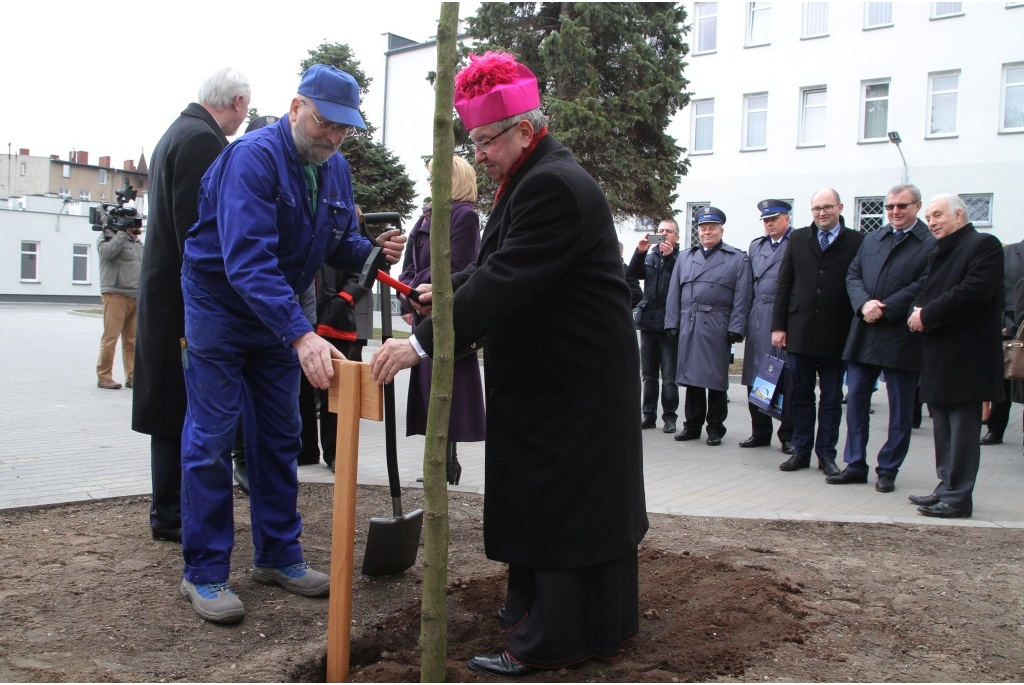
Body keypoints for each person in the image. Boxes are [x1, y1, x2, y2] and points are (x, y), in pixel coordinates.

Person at [369, 51, 647, 676]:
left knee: (562, 510)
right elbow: (501, 266)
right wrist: (446, 288)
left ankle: (552, 639)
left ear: (523, 130)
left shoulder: (550, 184)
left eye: (485, 141)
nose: (480, 154)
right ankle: (559, 620)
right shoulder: (534, 175)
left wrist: (421, 345)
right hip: (564, 380)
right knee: (558, 506)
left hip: (570, 386)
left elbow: (508, 282)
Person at [176, 64, 406, 624]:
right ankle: (204, 572)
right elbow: (247, 260)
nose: (333, 138)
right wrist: (302, 334)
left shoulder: (335, 169)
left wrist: (376, 256)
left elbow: (336, 238)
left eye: (344, 130)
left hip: (277, 316)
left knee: (280, 434)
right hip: (221, 308)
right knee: (211, 438)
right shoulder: (251, 159)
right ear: (297, 107)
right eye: (326, 124)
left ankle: (278, 555)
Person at [132, 67, 251, 543]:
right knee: (185, 408)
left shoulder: (175, 134)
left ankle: (170, 511)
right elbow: (199, 230)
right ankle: (174, 515)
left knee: (170, 406)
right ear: (239, 102)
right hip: (186, 300)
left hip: (163, 293)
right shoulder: (203, 143)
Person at [827, 184, 934, 493]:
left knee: (900, 410)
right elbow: (853, 275)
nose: (895, 212)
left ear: (917, 206)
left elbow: (924, 283)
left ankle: (888, 468)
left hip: (901, 335)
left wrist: (885, 308)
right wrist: (864, 304)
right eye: (890, 207)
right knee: (857, 402)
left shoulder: (928, 243)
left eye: (902, 206)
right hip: (865, 332)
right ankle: (855, 463)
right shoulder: (873, 238)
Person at [907, 194, 1003, 519]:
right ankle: (945, 486)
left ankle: (959, 497)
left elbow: (972, 292)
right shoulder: (939, 251)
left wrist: (927, 315)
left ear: (959, 216)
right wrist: (914, 312)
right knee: (942, 427)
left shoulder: (983, 245)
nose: (931, 221)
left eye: (937, 215)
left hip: (967, 358)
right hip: (939, 355)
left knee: (962, 430)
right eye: (930, 216)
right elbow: (924, 290)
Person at [398, 157, 486, 485]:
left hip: (445, 317)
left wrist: (423, 287)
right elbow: (407, 266)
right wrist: (408, 294)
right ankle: (435, 462)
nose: (431, 181)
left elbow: (460, 267)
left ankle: (446, 463)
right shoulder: (427, 214)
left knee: (447, 390)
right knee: (428, 390)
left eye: (438, 175)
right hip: (422, 313)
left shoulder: (463, 216)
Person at [772, 188, 863, 477]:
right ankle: (800, 450)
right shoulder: (798, 239)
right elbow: (784, 283)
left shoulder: (857, 242)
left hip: (836, 332)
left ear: (839, 207)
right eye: (816, 209)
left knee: (832, 398)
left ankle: (827, 454)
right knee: (800, 394)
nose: (822, 213)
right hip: (799, 330)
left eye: (827, 207)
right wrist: (778, 326)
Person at [666, 207, 752, 446]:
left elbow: (743, 296)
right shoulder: (685, 257)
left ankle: (715, 427)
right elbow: (674, 291)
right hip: (689, 323)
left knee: (715, 380)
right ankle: (692, 425)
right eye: (703, 228)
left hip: (717, 324)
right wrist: (671, 322)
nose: (707, 232)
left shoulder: (737, 259)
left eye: (712, 228)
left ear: (721, 230)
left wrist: (737, 326)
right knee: (692, 378)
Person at [740, 199, 794, 453]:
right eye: (766, 220)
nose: (769, 224)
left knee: (784, 377)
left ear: (787, 219)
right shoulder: (756, 246)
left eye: (774, 219)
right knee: (756, 375)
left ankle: (788, 435)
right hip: (757, 315)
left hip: (782, 318)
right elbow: (747, 286)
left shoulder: (797, 243)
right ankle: (760, 431)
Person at [627, 219, 681, 433]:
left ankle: (670, 417)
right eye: (660, 231)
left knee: (669, 377)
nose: (664, 235)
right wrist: (640, 252)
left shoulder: (682, 258)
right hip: (649, 322)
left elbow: (678, 279)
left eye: (668, 232)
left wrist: (669, 259)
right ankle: (648, 415)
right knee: (648, 375)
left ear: (677, 237)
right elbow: (633, 273)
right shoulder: (650, 256)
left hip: (669, 324)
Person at [981, 236, 1024, 446]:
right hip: (1010, 328)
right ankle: (995, 430)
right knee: (1004, 383)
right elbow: (994, 291)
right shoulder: (1008, 253)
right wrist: (1002, 324)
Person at [95, 211, 143, 390]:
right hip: (115, 294)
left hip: (135, 295)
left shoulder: (137, 243)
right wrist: (121, 234)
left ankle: (132, 377)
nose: (135, 228)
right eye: (132, 224)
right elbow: (107, 253)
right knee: (111, 337)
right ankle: (104, 376)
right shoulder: (106, 239)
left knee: (131, 340)